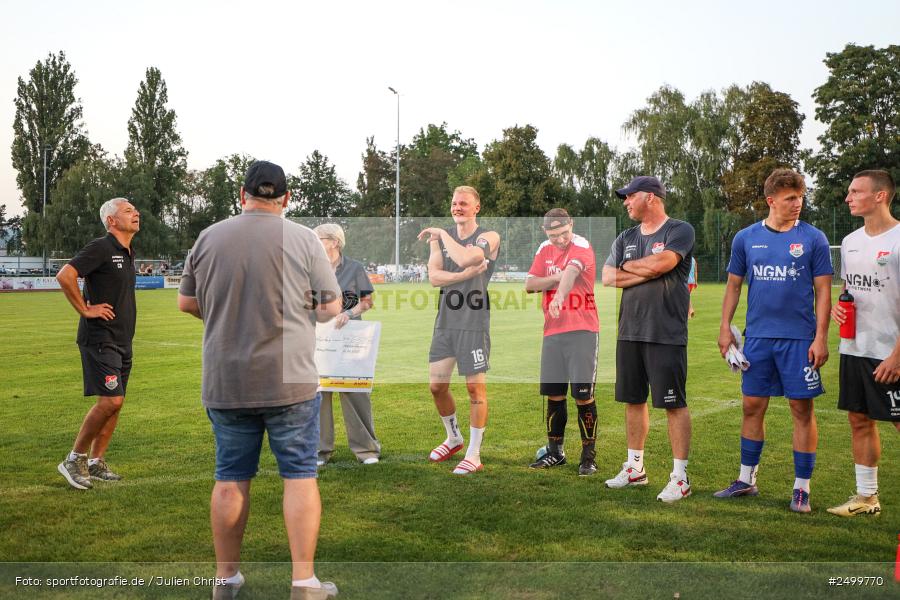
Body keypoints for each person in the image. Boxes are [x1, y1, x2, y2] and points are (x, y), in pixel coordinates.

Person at [178, 161, 342, 599]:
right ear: (286, 198)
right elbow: (330, 307)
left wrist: (227, 316)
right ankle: (304, 581)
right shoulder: (304, 239)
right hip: (290, 379)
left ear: (242, 194)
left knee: (230, 477)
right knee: (299, 476)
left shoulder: (209, 237)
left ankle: (226, 578)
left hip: (226, 377)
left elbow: (186, 302)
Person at [715, 168, 833, 513]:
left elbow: (824, 292)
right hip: (758, 339)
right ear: (771, 201)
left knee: (801, 409)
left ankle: (801, 488)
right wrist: (724, 327)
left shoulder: (814, 239)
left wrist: (821, 337)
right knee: (752, 406)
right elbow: (733, 285)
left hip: (799, 340)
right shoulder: (746, 238)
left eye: (800, 197)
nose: (798, 204)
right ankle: (746, 479)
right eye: (790, 198)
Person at [601, 176, 695, 503]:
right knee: (633, 400)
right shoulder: (626, 236)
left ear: (651, 197)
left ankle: (680, 477)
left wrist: (631, 267)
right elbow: (608, 276)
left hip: (665, 331)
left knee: (673, 403)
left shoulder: (679, 230)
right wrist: (645, 270)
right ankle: (635, 468)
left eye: (630, 196)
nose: (626, 202)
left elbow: (664, 263)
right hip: (630, 329)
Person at [828, 169, 900, 518]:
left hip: (891, 352)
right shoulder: (851, 241)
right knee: (859, 420)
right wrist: (838, 308)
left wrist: (897, 356)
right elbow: (849, 290)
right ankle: (867, 498)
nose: (848, 198)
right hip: (855, 348)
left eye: (856, 191)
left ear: (880, 196)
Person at [56, 198, 140, 490]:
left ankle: (96, 462)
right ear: (111, 221)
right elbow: (66, 275)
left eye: (135, 210)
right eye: (128, 210)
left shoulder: (127, 251)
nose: (136, 213)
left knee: (117, 403)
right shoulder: (101, 247)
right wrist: (85, 309)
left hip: (122, 339)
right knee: (110, 401)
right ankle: (74, 458)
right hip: (100, 338)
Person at [417, 185, 501, 475]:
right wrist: (464, 275)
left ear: (477, 207)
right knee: (437, 386)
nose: (457, 208)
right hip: (445, 322)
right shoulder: (441, 240)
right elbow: (434, 277)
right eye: (454, 203)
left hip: (473, 322)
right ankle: (453, 437)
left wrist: (442, 235)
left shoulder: (489, 236)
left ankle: (474, 454)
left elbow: (470, 258)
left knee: (474, 388)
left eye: (463, 203)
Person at [525, 208, 600, 476]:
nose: (559, 239)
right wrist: (554, 279)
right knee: (554, 394)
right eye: (553, 235)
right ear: (545, 232)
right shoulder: (543, 249)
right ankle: (555, 452)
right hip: (552, 332)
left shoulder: (582, 245)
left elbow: (571, 272)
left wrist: (558, 295)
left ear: (572, 225)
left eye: (564, 233)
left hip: (582, 330)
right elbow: (530, 284)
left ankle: (588, 458)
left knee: (583, 395)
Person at [313, 223, 382, 467]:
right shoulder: (311, 268)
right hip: (320, 338)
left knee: (355, 394)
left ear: (334, 242)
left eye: (319, 238)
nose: (314, 242)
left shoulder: (354, 268)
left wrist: (348, 313)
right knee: (319, 394)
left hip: (350, 339)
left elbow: (367, 301)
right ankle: (320, 451)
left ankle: (366, 450)